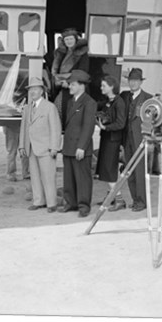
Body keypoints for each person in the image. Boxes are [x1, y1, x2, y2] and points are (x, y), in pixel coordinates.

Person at [19, 77, 62, 213]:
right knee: (35, 176)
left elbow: (56, 128)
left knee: (48, 177)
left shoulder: (50, 107)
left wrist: (55, 147)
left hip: (46, 148)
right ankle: (39, 201)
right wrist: (22, 146)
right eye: (31, 89)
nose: (33, 92)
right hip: (31, 147)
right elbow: (24, 128)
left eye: (36, 89)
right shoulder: (27, 108)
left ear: (42, 91)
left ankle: (52, 203)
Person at [59, 70, 97, 218]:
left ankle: (83, 206)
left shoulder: (89, 102)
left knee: (82, 178)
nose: (70, 87)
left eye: (73, 84)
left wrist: (82, 146)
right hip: (69, 145)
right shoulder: (70, 102)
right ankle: (70, 203)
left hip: (80, 147)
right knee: (68, 177)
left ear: (81, 86)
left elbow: (88, 127)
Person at [120, 68, 153, 212]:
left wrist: (148, 137)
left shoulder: (148, 98)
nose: (133, 83)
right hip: (126, 139)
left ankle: (142, 201)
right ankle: (135, 199)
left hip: (140, 139)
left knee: (140, 171)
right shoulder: (124, 96)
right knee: (129, 171)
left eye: (136, 81)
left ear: (141, 82)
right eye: (131, 80)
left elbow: (151, 120)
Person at [95, 75, 127, 211]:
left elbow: (121, 123)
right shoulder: (110, 101)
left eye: (104, 86)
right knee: (109, 170)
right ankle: (111, 197)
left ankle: (119, 199)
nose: (101, 88)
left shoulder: (119, 103)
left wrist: (106, 127)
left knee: (109, 170)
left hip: (112, 140)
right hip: (107, 139)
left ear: (112, 86)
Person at [51, 28, 89, 127]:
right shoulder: (61, 53)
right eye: (66, 39)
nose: (69, 41)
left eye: (71, 39)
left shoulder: (82, 54)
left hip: (76, 87)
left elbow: (82, 72)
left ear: (76, 39)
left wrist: (69, 83)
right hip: (61, 86)